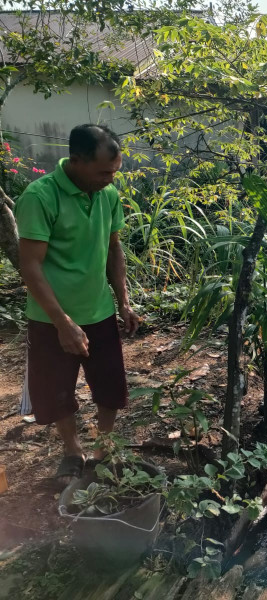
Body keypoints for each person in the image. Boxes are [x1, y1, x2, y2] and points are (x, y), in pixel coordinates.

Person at [14, 124, 139, 484]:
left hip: (99, 311)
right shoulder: (40, 197)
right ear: (78, 160)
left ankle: (101, 451)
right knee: (57, 393)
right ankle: (72, 451)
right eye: (103, 172)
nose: (109, 179)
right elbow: (31, 265)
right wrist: (62, 321)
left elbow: (114, 249)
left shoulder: (108, 196)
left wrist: (124, 302)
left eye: (114, 172)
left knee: (110, 389)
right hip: (50, 318)